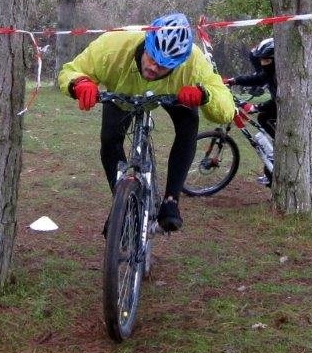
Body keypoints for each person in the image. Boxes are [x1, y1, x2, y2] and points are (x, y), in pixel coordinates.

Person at [58, 13, 235, 232]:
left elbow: (226, 108)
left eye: (163, 66)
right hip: (124, 90)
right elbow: (71, 70)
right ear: (147, 41)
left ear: (178, 63)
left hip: (173, 93)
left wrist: (204, 94)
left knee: (189, 121)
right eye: (152, 58)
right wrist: (79, 83)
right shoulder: (113, 45)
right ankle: (122, 205)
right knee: (110, 140)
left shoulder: (193, 62)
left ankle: (171, 200)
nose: (153, 68)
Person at [223, 37, 312, 184]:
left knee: (264, 117)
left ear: (276, 59)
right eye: (261, 60)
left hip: (303, 99)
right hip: (297, 97)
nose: (263, 64)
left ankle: (284, 149)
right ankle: (281, 150)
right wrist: (234, 80)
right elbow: (257, 79)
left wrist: (256, 107)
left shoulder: (283, 76)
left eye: (266, 61)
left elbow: (279, 101)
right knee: (264, 118)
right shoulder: (274, 70)